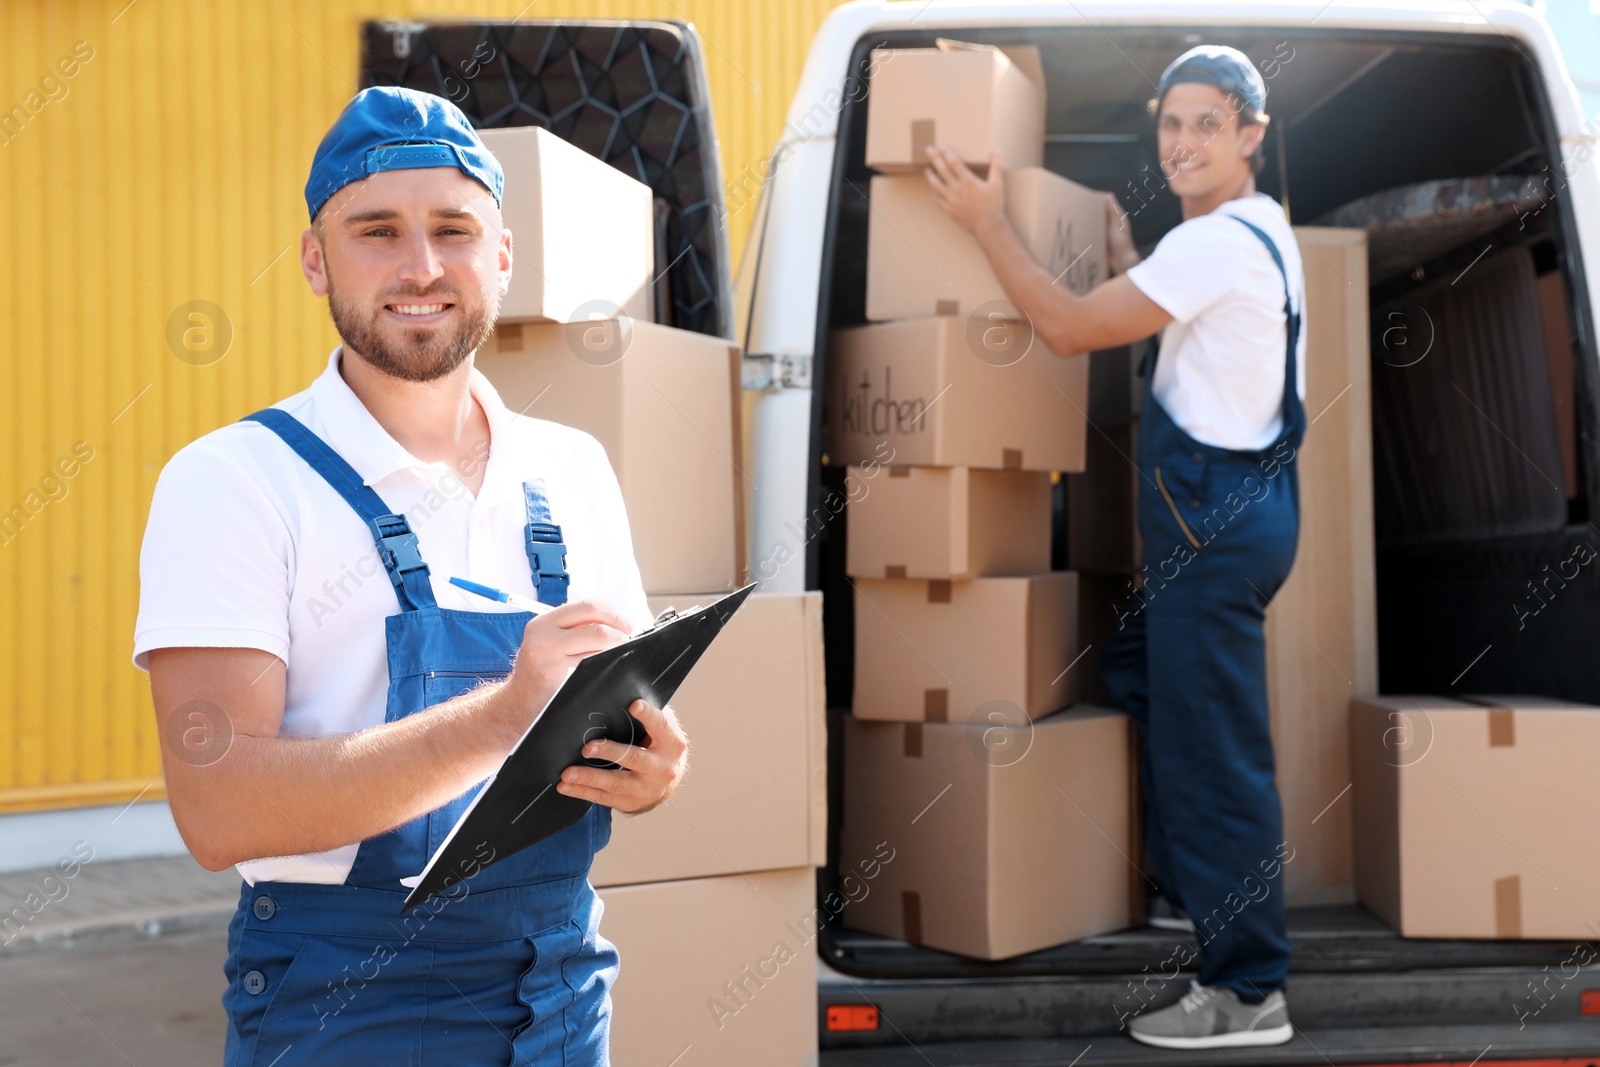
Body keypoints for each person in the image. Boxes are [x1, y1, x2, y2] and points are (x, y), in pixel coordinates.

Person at [134, 86, 688, 1064]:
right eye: (377, 231)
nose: (422, 266)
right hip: (349, 1000)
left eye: (453, 229)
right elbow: (216, 809)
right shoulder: (232, 482)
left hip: (560, 985)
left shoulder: (571, 471)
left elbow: (615, 718)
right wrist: (503, 711)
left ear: (503, 255)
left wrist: (647, 774)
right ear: (315, 259)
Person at [924, 45, 1305, 1050]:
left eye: (1207, 126)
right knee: (1139, 669)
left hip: (1211, 529)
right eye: (1170, 124)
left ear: (1250, 136)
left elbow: (1062, 327)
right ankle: (1194, 886)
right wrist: (1138, 248)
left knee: (1213, 753)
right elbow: (1181, 318)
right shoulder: (1251, 232)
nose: (1183, 143)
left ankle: (1246, 988)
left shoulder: (1218, 241)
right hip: (1240, 513)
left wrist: (982, 221)